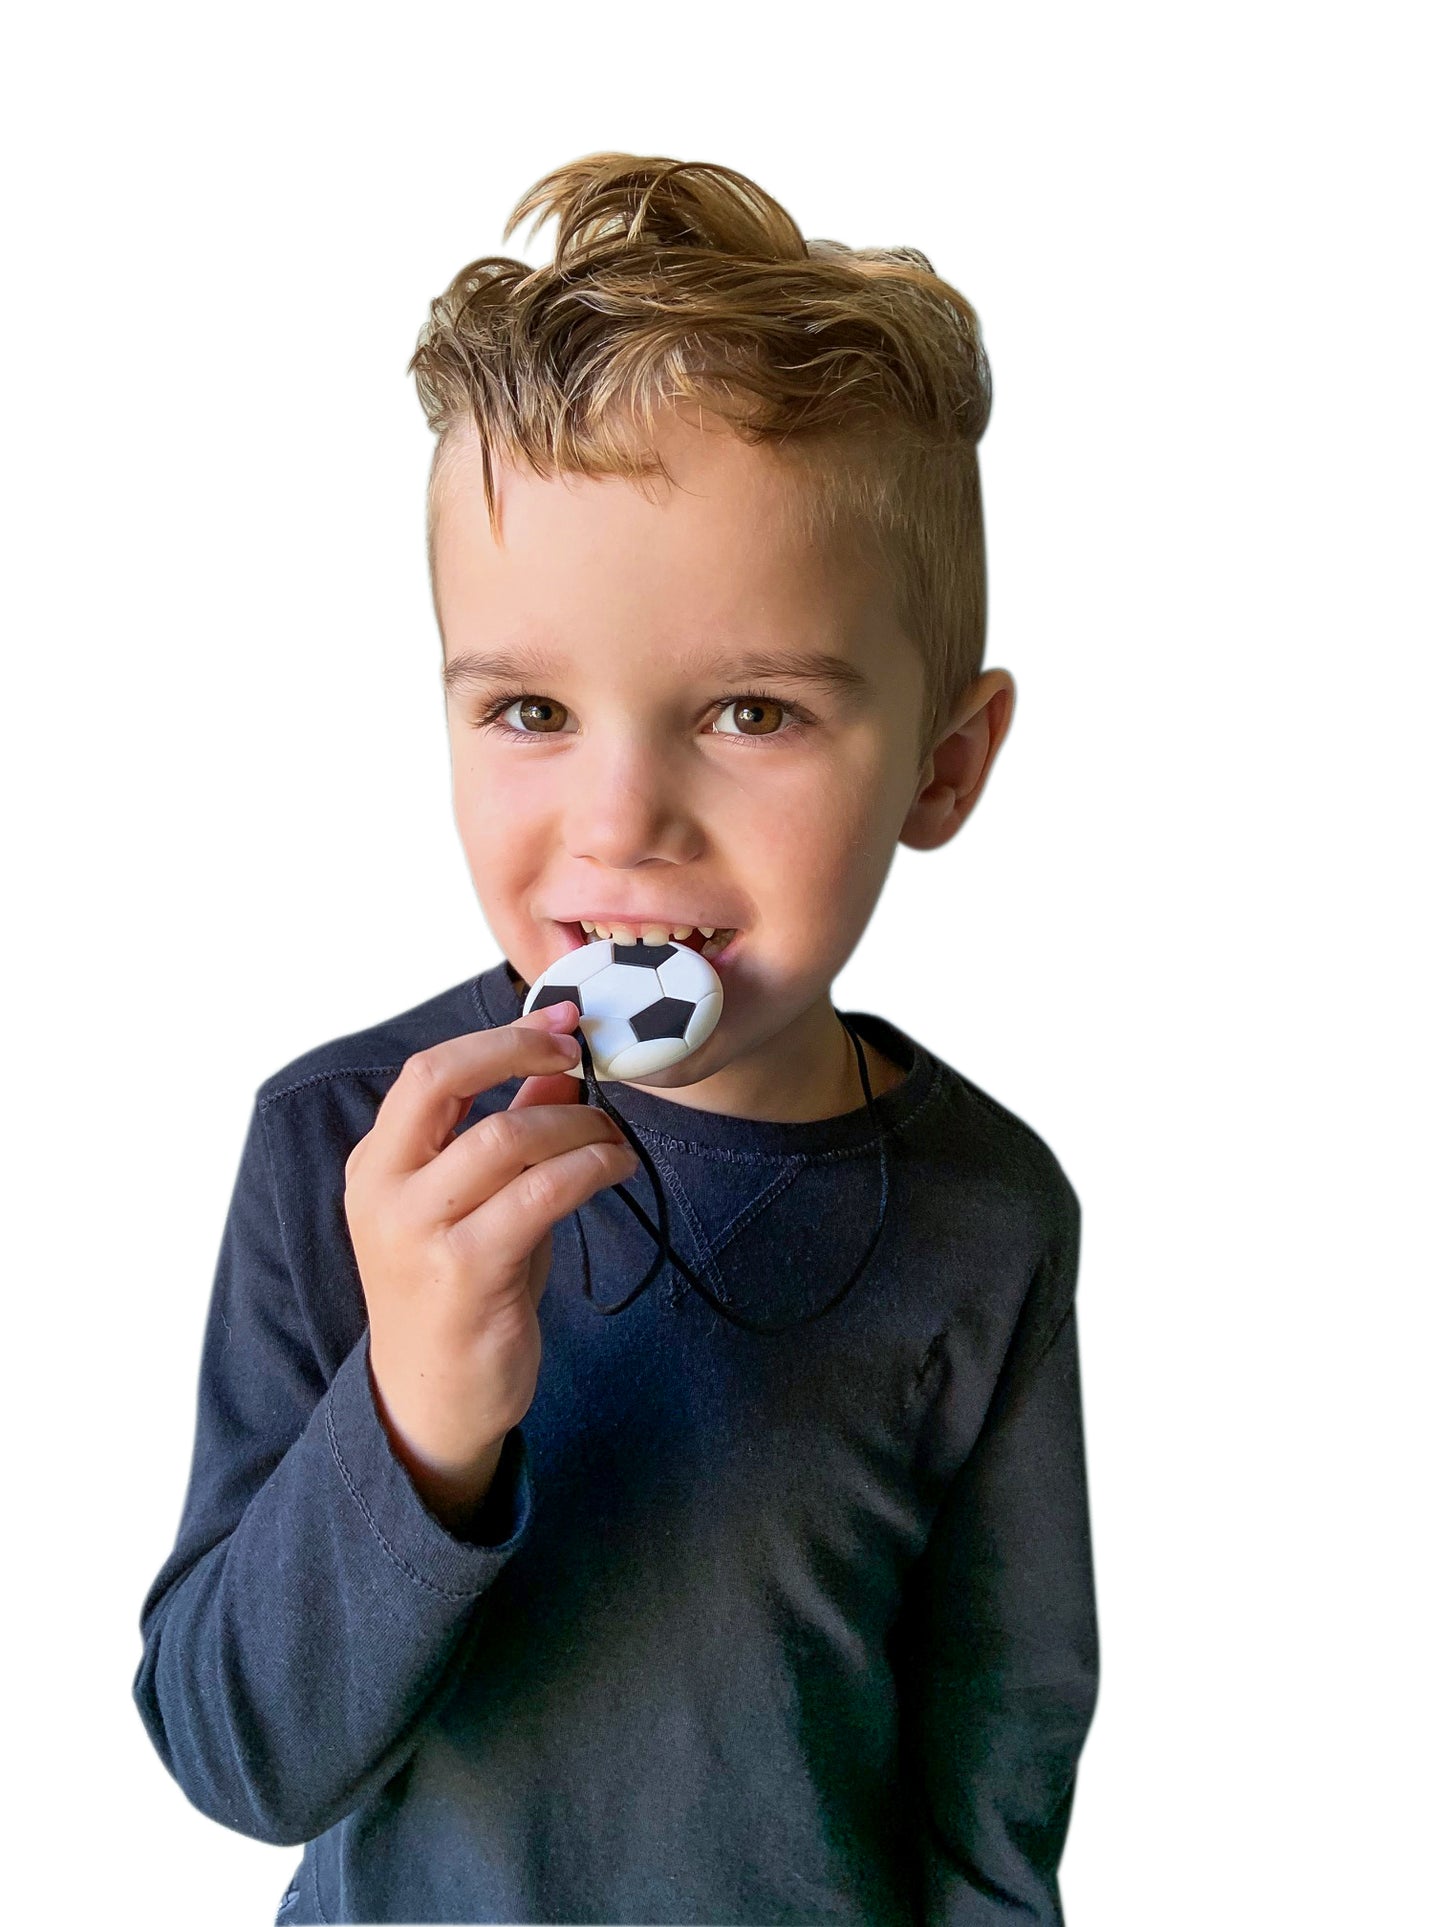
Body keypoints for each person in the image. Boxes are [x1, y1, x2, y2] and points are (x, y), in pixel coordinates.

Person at [132, 151, 1100, 1926]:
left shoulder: (985, 1210)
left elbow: (1001, 1753)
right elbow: (235, 1756)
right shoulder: (349, 1145)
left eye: (750, 710)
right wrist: (416, 1421)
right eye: (528, 707)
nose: (622, 816)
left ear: (942, 766)